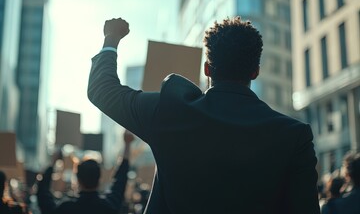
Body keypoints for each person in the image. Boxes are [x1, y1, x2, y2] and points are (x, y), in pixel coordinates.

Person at [88, 16, 320, 213]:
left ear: (207, 69)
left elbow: (102, 90)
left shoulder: (171, 112)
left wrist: (112, 38)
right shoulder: (294, 136)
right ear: (255, 71)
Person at [36, 132, 134, 214]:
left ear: (78, 179)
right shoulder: (110, 206)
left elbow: (42, 194)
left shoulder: (66, 209)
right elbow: (120, 181)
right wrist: (127, 144)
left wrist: (53, 163)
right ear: (99, 179)